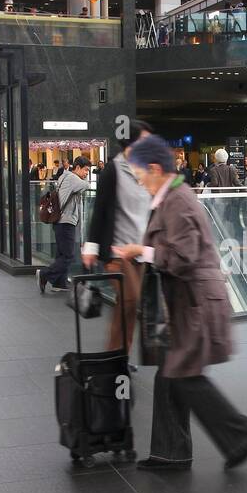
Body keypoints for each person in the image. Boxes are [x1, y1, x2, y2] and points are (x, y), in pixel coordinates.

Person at [110, 136, 247, 470]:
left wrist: (141, 251)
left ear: (155, 169)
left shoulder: (178, 200)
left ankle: (241, 434)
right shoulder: (172, 197)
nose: (141, 183)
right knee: (172, 373)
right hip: (187, 299)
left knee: (183, 373)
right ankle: (172, 453)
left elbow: (183, 257)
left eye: (141, 176)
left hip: (195, 300)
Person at [83, 120, 153, 351]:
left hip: (140, 252)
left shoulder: (148, 171)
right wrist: (91, 248)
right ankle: (115, 356)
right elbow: (99, 210)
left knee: (131, 305)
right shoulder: (113, 170)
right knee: (130, 299)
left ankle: (119, 353)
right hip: (117, 251)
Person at [37, 156, 90, 293]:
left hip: (60, 221)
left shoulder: (64, 177)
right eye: (85, 170)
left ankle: (59, 283)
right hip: (66, 221)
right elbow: (86, 185)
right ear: (77, 167)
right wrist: (84, 179)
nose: (86, 174)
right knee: (68, 256)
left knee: (61, 254)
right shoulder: (73, 179)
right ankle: (45, 274)